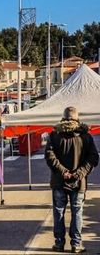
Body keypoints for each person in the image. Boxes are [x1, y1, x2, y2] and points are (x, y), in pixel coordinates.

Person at [45, 107, 99, 253]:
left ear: (63, 118)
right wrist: (79, 173)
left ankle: (59, 243)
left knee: (59, 212)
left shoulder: (55, 135)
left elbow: (49, 156)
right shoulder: (85, 136)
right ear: (77, 118)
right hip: (79, 182)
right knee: (77, 212)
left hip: (59, 181)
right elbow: (93, 158)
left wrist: (63, 172)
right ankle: (76, 244)